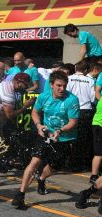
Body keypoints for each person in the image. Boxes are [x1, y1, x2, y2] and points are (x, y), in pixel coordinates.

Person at [12, 71, 80, 209]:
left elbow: (73, 121)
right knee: (34, 162)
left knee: (56, 165)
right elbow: (35, 112)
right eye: (59, 86)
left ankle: (41, 179)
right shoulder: (44, 96)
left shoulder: (72, 99)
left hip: (65, 138)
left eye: (64, 86)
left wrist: (60, 131)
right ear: (51, 85)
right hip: (46, 135)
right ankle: (20, 195)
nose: (62, 89)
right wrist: (38, 125)